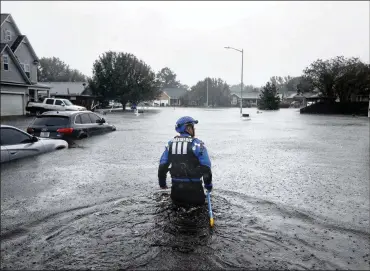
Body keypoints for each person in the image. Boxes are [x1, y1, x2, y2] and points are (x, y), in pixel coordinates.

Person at [158, 116, 213, 207]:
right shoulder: (197, 144)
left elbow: (162, 166)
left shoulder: (170, 144)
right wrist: (208, 186)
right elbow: (206, 169)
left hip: (176, 192)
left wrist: (162, 184)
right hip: (195, 193)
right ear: (187, 128)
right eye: (192, 127)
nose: (194, 129)